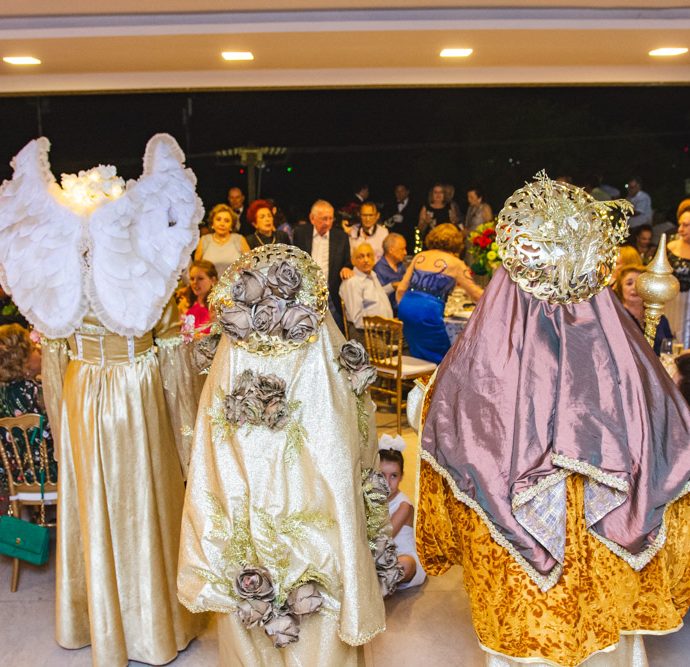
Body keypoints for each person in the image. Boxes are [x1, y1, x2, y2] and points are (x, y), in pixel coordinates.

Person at [415, 173, 690, 667]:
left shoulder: (476, 365)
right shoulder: (628, 364)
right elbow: (672, 456)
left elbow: (444, 442)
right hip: (603, 577)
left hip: (517, 586)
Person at [0, 134, 205, 664]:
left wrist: (60, 413)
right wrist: (187, 427)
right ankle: (151, 625)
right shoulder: (150, 278)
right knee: (143, 498)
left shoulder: (59, 282)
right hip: (134, 389)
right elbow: (171, 357)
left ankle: (96, 623)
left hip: (82, 388)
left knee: (92, 500)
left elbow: (53, 359)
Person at [177, 245, 386, 666]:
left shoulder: (232, 369)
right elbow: (345, 459)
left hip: (260, 530)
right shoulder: (322, 381)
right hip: (310, 536)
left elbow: (210, 468)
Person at [397, 224, 483, 364]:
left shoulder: (419, 256)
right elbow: (475, 293)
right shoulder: (456, 263)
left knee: (419, 354)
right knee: (443, 357)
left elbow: (401, 289)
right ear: (457, 242)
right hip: (428, 311)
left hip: (406, 308)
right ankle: (436, 377)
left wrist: (405, 307)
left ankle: (422, 376)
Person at [0, 323, 54, 498]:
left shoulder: (4, 392)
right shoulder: (35, 391)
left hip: (14, 478)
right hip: (48, 476)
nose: (40, 351)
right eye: (34, 349)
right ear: (24, 361)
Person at [293, 199, 353, 331]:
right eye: (324, 219)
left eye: (331, 218)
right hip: (306, 294)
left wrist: (347, 268)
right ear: (312, 218)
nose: (328, 223)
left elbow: (347, 262)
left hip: (331, 294)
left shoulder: (341, 237)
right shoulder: (300, 234)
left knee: (335, 333)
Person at [378, 437, 426, 590]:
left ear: (401, 477)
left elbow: (384, 537)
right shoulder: (371, 499)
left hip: (402, 556)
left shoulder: (404, 506)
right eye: (382, 475)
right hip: (378, 558)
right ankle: (379, 580)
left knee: (405, 564)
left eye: (394, 476)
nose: (387, 482)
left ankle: (381, 582)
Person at [614, 264, 673, 355]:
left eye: (640, 284)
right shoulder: (615, 318)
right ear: (620, 288)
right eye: (629, 283)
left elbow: (669, 349)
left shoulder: (660, 319)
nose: (634, 287)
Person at [339, 243, 393, 341]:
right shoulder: (352, 282)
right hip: (365, 334)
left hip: (384, 330)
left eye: (369, 255)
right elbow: (357, 320)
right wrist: (383, 325)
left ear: (374, 258)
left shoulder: (372, 275)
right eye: (361, 257)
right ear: (353, 261)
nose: (366, 260)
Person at [195, 203, 249, 278]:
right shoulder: (204, 240)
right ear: (212, 223)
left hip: (236, 284)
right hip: (210, 284)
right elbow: (196, 269)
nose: (222, 224)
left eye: (226, 221)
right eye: (218, 219)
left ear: (231, 226)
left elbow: (250, 267)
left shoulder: (239, 239)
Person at [666, 200, 690, 348]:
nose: (681, 229)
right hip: (672, 304)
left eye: (686, 225)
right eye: (680, 224)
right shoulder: (669, 247)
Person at [417, 183, 461, 250]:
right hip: (430, 243)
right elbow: (420, 229)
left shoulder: (450, 207)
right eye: (435, 192)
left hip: (446, 242)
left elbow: (455, 225)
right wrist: (426, 222)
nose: (438, 195)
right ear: (432, 194)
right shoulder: (426, 208)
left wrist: (454, 222)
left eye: (441, 192)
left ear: (444, 194)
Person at [374, 233, 407, 314]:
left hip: (403, 308)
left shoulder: (401, 266)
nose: (405, 253)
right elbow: (377, 294)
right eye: (402, 249)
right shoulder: (378, 269)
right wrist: (393, 286)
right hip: (388, 312)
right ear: (391, 250)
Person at [187, 259, 218, 334]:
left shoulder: (218, 306)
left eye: (200, 278)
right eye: (192, 279)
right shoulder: (186, 303)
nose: (195, 282)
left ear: (213, 280)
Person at [384, 183, 417, 249]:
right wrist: (389, 221)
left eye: (402, 191)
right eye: (397, 191)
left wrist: (404, 220)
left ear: (407, 192)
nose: (399, 193)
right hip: (393, 240)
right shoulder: (390, 204)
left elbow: (416, 222)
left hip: (408, 240)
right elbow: (385, 218)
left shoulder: (414, 205)